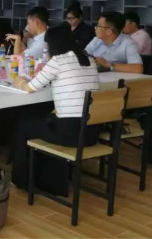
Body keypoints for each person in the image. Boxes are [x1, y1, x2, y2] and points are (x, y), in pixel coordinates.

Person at [10, 25, 100, 195]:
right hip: (91, 132)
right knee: (39, 117)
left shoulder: (58, 61)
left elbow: (30, 88)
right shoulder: (89, 60)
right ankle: (49, 178)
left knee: (23, 123)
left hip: (70, 134)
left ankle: (22, 180)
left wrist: (19, 81)